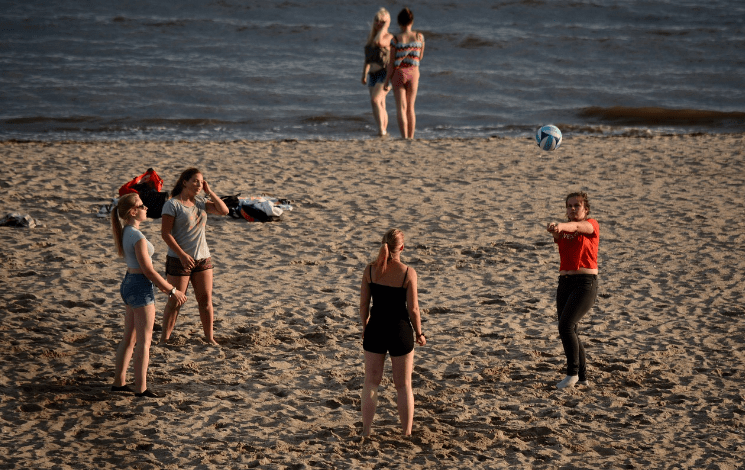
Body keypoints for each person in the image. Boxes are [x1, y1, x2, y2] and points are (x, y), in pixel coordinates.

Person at [111, 193, 187, 398]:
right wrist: (172, 290)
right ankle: (141, 388)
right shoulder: (137, 237)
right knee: (144, 341)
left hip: (128, 283)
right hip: (139, 286)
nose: (146, 208)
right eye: (142, 206)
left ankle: (119, 382)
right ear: (133, 212)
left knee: (129, 337)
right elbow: (149, 271)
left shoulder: (127, 231)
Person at [359, 229, 426, 436]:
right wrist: (419, 333)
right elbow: (413, 309)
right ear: (402, 248)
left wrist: (365, 327)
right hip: (400, 330)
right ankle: (406, 432)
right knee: (404, 385)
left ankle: (367, 431)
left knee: (371, 382)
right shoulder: (408, 273)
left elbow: (363, 305)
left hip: (376, 328)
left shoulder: (370, 270)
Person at [159, 168, 229, 346]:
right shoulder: (172, 204)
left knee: (205, 301)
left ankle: (209, 337)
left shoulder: (201, 202)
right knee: (176, 301)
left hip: (203, 258)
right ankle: (164, 340)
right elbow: (166, 234)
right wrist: (182, 255)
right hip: (179, 259)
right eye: (196, 181)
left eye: (201, 181)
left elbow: (224, 211)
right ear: (184, 182)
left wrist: (210, 191)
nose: (199, 185)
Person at [546, 192, 599, 389]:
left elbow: (576, 226)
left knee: (566, 326)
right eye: (569, 206)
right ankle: (583, 378)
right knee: (571, 329)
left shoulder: (591, 225)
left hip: (585, 283)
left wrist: (560, 225)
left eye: (577, 205)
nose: (573, 209)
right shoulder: (565, 231)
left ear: (586, 209)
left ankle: (572, 374)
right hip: (565, 282)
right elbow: (561, 235)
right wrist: (554, 229)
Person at [384, 8, 425, 139]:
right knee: (411, 108)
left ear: (399, 23)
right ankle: (411, 137)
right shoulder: (419, 37)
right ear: (412, 21)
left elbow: (391, 63)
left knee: (401, 108)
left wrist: (386, 82)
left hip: (399, 73)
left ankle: (404, 137)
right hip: (413, 72)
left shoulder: (395, 40)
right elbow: (420, 57)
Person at [361, 8, 394, 137]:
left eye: (382, 21)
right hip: (372, 75)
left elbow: (379, 42)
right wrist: (364, 74)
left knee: (375, 100)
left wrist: (384, 28)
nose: (378, 23)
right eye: (376, 21)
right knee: (379, 104)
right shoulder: (371, 37)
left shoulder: (388, 37)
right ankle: (382, 130)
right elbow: (367, 59)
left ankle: (382, 131)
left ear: (387, 23)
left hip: (385, 73)